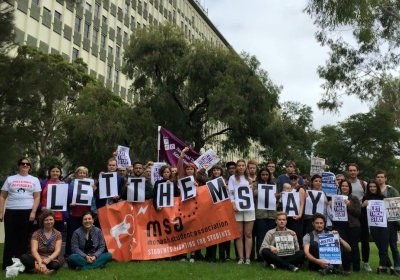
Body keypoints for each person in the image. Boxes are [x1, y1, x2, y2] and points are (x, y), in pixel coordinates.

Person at [0, 157, 41, 270]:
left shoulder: (34, 180)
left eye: (27, 164)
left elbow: (37, 197)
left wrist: (33, 212)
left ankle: (21, 264)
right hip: (11, 211)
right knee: (10, 238)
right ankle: (7, 264)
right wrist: (1, 212)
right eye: (23, 164)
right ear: (19, 165)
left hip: (27, 212)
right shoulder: (10, 179)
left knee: (23, 239)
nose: (25, 166)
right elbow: (3, 196)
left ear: (30, 167)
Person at [361, 180, 393, 274]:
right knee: (381, 247)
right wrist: (363, 206)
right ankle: (390, 267)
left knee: (383, 247)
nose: (372, 188)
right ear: (368, 188)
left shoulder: (383, 198)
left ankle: (382, 267)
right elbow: (362, 214)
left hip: (384, 225)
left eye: (374, 186)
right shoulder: (365, 198)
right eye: (370, 186)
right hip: (373, 226)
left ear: (377, 187)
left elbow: (388, 211)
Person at [228, 159, 255, 265]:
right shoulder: (232, 178)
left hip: (249, 208)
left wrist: (253, 187)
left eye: (243, 165)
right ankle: (241, 257)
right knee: (239, 234)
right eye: (239, 165)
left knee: (248, 233)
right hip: (237, 208)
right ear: (236, 167)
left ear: (246, 167)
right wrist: (233, 204)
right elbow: (231, 193)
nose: (241, 167)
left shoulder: (250, 178)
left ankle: (248, 258)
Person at [20, 210, 62, 275]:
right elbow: (34, 250)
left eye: (51, 219)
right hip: (37, 258)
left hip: (49, 259)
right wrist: (39, 261)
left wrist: (49, 259)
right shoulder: (36, 233)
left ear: (54, 220)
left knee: (55, 265)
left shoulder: (58, 234)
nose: (49, 222)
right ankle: (45, 271)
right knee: (24, 257)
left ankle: (36, 269)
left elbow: (57, 250)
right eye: (46, 220)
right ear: (42, 222)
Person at [332, 180, 361, 273]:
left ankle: (356, 268)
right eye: (343, 186)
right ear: (340, 187)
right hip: (340, 225)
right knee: (344, 246)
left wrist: (349, 205)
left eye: (346, 186)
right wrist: (330, 204)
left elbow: (358, 213)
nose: (344, 187)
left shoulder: (354, 198)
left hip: (353, 226)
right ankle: (346, 267)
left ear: (350, 188)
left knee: (354, 247)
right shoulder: (336, 198)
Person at [66, 166, 96, 256]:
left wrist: (94, 190)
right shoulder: (71, 184)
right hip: (74, 213)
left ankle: (84, 254)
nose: (82, 174)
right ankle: (69, 254)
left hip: (86, 213)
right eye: (80, 173)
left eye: (84, 173)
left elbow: (92, 199)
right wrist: (69, 204)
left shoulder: (90, 184)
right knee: (72, 234)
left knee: (85, 235)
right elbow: (66, 197)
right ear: (76, 174)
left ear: (87, 175)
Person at [347, 163, 371, 272]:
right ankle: (352, 261)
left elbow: (370, 194)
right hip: (350, 214)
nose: (352, 172)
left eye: (354, 170)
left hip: (362, 213)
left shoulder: (363, 184)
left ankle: (366, 262)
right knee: (352, 240)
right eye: (350, 170)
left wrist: (367, 201)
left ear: (358, 171)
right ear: (348, 172)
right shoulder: (345, 184)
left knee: (365, 239)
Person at [376, 170, 400, 274]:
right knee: (382, 247)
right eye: (378, 177)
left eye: (382, 177)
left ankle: (398, 266)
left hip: (391, 222)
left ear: (386, 178)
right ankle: (385, 266)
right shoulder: (374, 190)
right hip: (379, 222)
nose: (380, 179)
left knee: (393, 246)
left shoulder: (392, 190)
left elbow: (397, 204)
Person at [252, 168, 277, 261]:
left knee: (271, 236)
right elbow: (253, 194)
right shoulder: (256, 184)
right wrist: (260, 189)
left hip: (271, 214)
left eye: (267, 174)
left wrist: (277, 195)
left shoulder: (273, 184)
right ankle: (260, 255)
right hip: (260, 214)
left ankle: (270, 255)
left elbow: (277, 197)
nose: (265, 176)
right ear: (260, 175)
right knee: (260, 236)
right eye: (263, 174)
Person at [39, 165, 66, 233]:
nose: (55, 173)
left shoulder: (64, 184)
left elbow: (68, 199)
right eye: (53, 171)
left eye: (57, 171)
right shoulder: (43, 183)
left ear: (60, 173)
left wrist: (65, 188)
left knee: (58, 238)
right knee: (43, 237)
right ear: (49, 172)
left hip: (59, 216)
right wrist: (41, 207)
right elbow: (37, 197)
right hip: (45, 215)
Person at [285, 174, 306, 247]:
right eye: (291, 178)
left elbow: (302, 203)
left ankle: (298, 251)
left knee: (297, 234)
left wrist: (300, 214)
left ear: (298, 179)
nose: (293, 179)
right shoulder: (289, 188)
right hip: (288, 215)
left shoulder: (300, 188)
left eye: (295, 178)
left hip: (296, 215)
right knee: (288, 234)